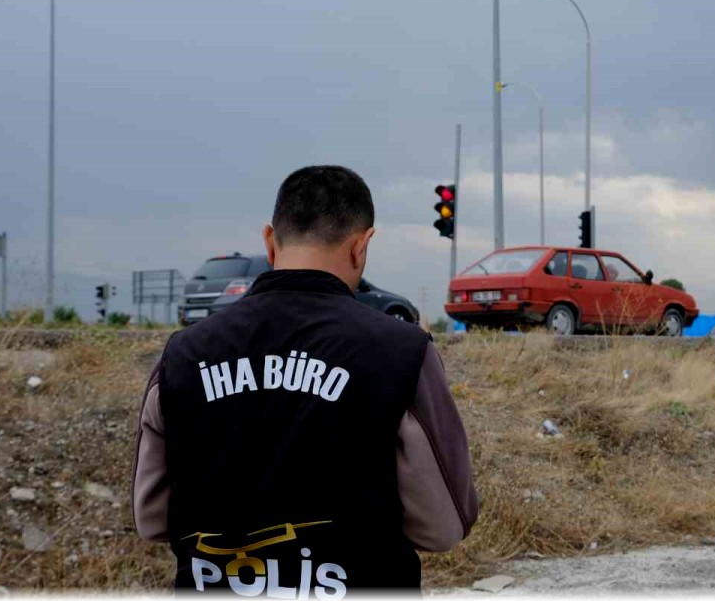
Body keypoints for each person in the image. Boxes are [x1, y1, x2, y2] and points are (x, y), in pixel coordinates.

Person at [131, 165, 478, 596]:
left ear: (269, 241)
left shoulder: (181, 355)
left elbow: (151, 518)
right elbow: (442, 526)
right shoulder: (403, 353)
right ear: (362, 245)